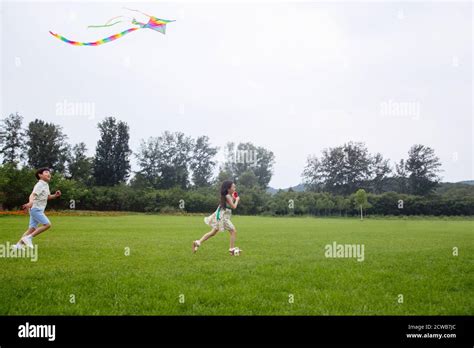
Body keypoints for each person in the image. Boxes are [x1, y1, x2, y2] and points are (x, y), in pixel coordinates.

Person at [12, 168, 61, 250]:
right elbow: (32, 195)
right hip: (36, 209)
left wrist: (55, 196)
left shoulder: (45, 185)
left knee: (32, 229)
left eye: (49, 172)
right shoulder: (40, 184)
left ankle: (18, 246)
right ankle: (29, 238)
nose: (49, 174)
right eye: (46, 172)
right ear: (40, 175)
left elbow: (47, 197)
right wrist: (30, 202)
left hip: (37, 209)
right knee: (47, 224)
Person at [193, 180, 241, 255]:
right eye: (233, 187)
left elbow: (230, 201)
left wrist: (234, 197)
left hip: (221, 215)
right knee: (233, 231)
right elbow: (234, 206)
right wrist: (237, 200)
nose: (235, 188)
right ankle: (231, 249)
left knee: (213, 232)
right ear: (228, 188)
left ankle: (198, 242)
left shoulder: (228, 195)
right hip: (223, 217)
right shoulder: (228, 196)